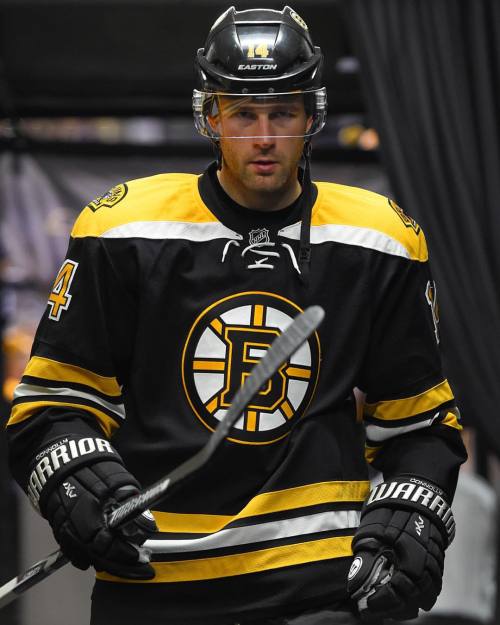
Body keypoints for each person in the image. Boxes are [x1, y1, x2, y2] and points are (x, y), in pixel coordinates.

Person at [6, 6, 466, 625]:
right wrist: (73, 479)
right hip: (154, 580)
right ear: (211, 116)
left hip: (318, 589)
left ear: (312, 117)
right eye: (243, 113)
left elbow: (419, 425)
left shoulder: (378, 239)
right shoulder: (122, 232)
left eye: (283, 112)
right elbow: (50, 406)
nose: (265, 137)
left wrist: (414, 515)